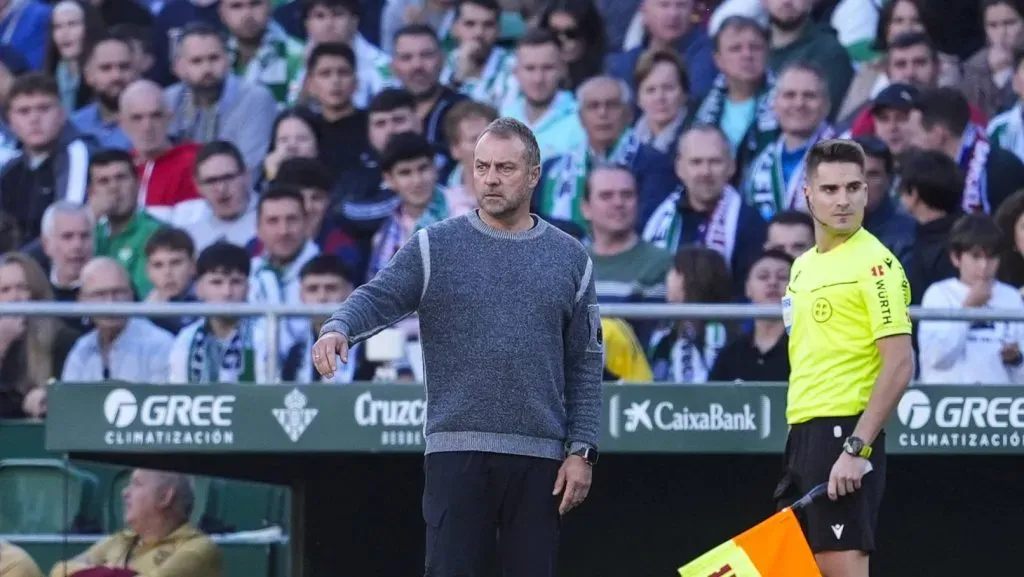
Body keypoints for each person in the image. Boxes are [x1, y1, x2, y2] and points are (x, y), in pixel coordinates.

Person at [311, 117, 602, 577]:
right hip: (456, 453)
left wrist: (582, 450)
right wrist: (338, 327)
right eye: (481, 166)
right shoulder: (436, 246)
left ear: (533, 175)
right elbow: (378, 296)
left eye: (504, 168)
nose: (489, 178)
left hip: (540, 460)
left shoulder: (570, 257)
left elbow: (585, 363)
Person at [778, 139, 914, 577]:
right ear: (808, 194)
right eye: (831, 189)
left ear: (867, 193)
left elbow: (899, 364)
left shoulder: (877, 264)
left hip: (843, 433)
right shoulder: (802, 266)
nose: (843, 200)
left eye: (854, 188)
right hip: (802, 433)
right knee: (796, 568)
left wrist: (857, 447)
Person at [49, 469, 221, 577]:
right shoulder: (119, 540)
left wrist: (102, 571)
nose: (125, 492)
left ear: (165, 497)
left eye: (137, 484)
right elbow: (59, 571)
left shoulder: (197, 549)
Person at [918, 213, 1024, 384]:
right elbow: (936, 359)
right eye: (975, 256)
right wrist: (968, 310)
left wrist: (1016, 359)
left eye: (991, 257)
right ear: (955, 258)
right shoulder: (938, 294)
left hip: (998, 403)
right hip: (947, 401)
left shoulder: (1011, 297)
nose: (984, 266)